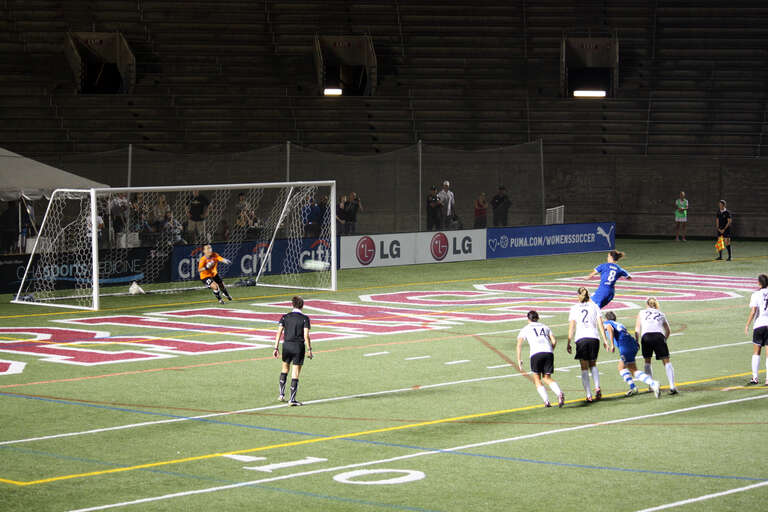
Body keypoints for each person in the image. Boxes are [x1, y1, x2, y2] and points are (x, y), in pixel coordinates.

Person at [603, 311, 661, 398]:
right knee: (621, 367)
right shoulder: (619, 324)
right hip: (632, 344)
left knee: (633, 371)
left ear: (606, 318)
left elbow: (609, 329)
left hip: (625, 346)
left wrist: (611, 344)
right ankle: (633, 387)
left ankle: (653, 383)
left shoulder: (607, 323)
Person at [567, 287, 610, 402]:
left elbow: (572, 327)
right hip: (594, 338)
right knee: (593, 364)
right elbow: (601, 324)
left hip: (581, 338)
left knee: (584, 368)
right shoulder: (594, 306)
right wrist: (605, 340)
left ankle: (588, 395)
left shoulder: (574, 308)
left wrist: (569, 341)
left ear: (578, 296)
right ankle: (597, 387)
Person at [516, 310, 565, 408]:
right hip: (548, 352)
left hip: (536, 354)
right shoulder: (545, 327)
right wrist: (550, 350)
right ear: (538, 318)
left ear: (528, 319)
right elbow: (554, 341)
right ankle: (559, 393)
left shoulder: (526, 328)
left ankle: (546, 401)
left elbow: (519, 344)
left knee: (537, 379)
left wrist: (519, 359)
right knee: (547, 378)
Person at [273, 295, 313, 406]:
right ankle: (292, 399)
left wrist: (276, 348)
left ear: (292, 304)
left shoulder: (285, 317)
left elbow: (279, 333)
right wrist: (309, 349)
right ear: (302, 305)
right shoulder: (305, 318)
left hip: (286, 345)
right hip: (298, 347)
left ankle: (281, 395)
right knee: (295, 373)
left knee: (284, 369)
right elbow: (306, 335)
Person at [636, 297, 677, 395]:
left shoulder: (641, 312)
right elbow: (668, 330)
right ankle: (672, 386)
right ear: (656, 304)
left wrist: (637, 341)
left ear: (646, 304)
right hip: (659, 336)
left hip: (645, 337)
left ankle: (651, 386)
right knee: (666, 361)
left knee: (647, 361)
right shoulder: (661, 314)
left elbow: (637, 329)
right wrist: (664, 340)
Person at [744, 274, 768, 386]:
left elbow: (753, 311)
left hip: (759, 325)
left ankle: (755, 377)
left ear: (759, 283)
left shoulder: (755, 295)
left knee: (756, 352)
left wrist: (747, 324)